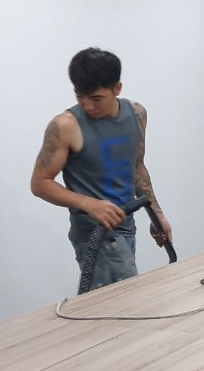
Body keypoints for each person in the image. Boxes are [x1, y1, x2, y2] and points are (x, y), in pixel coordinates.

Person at [30, 47, 173, 290]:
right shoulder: (65, 126)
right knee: (127, 302)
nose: (87, 105)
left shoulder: (136, 114)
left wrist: (157, 215)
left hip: (126, 226)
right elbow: (40, 183)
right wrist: (90, 204)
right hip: (94, 233)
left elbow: (137, 167)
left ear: (117, 88)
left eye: (96, 98)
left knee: (113, 306)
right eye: (80, 97)